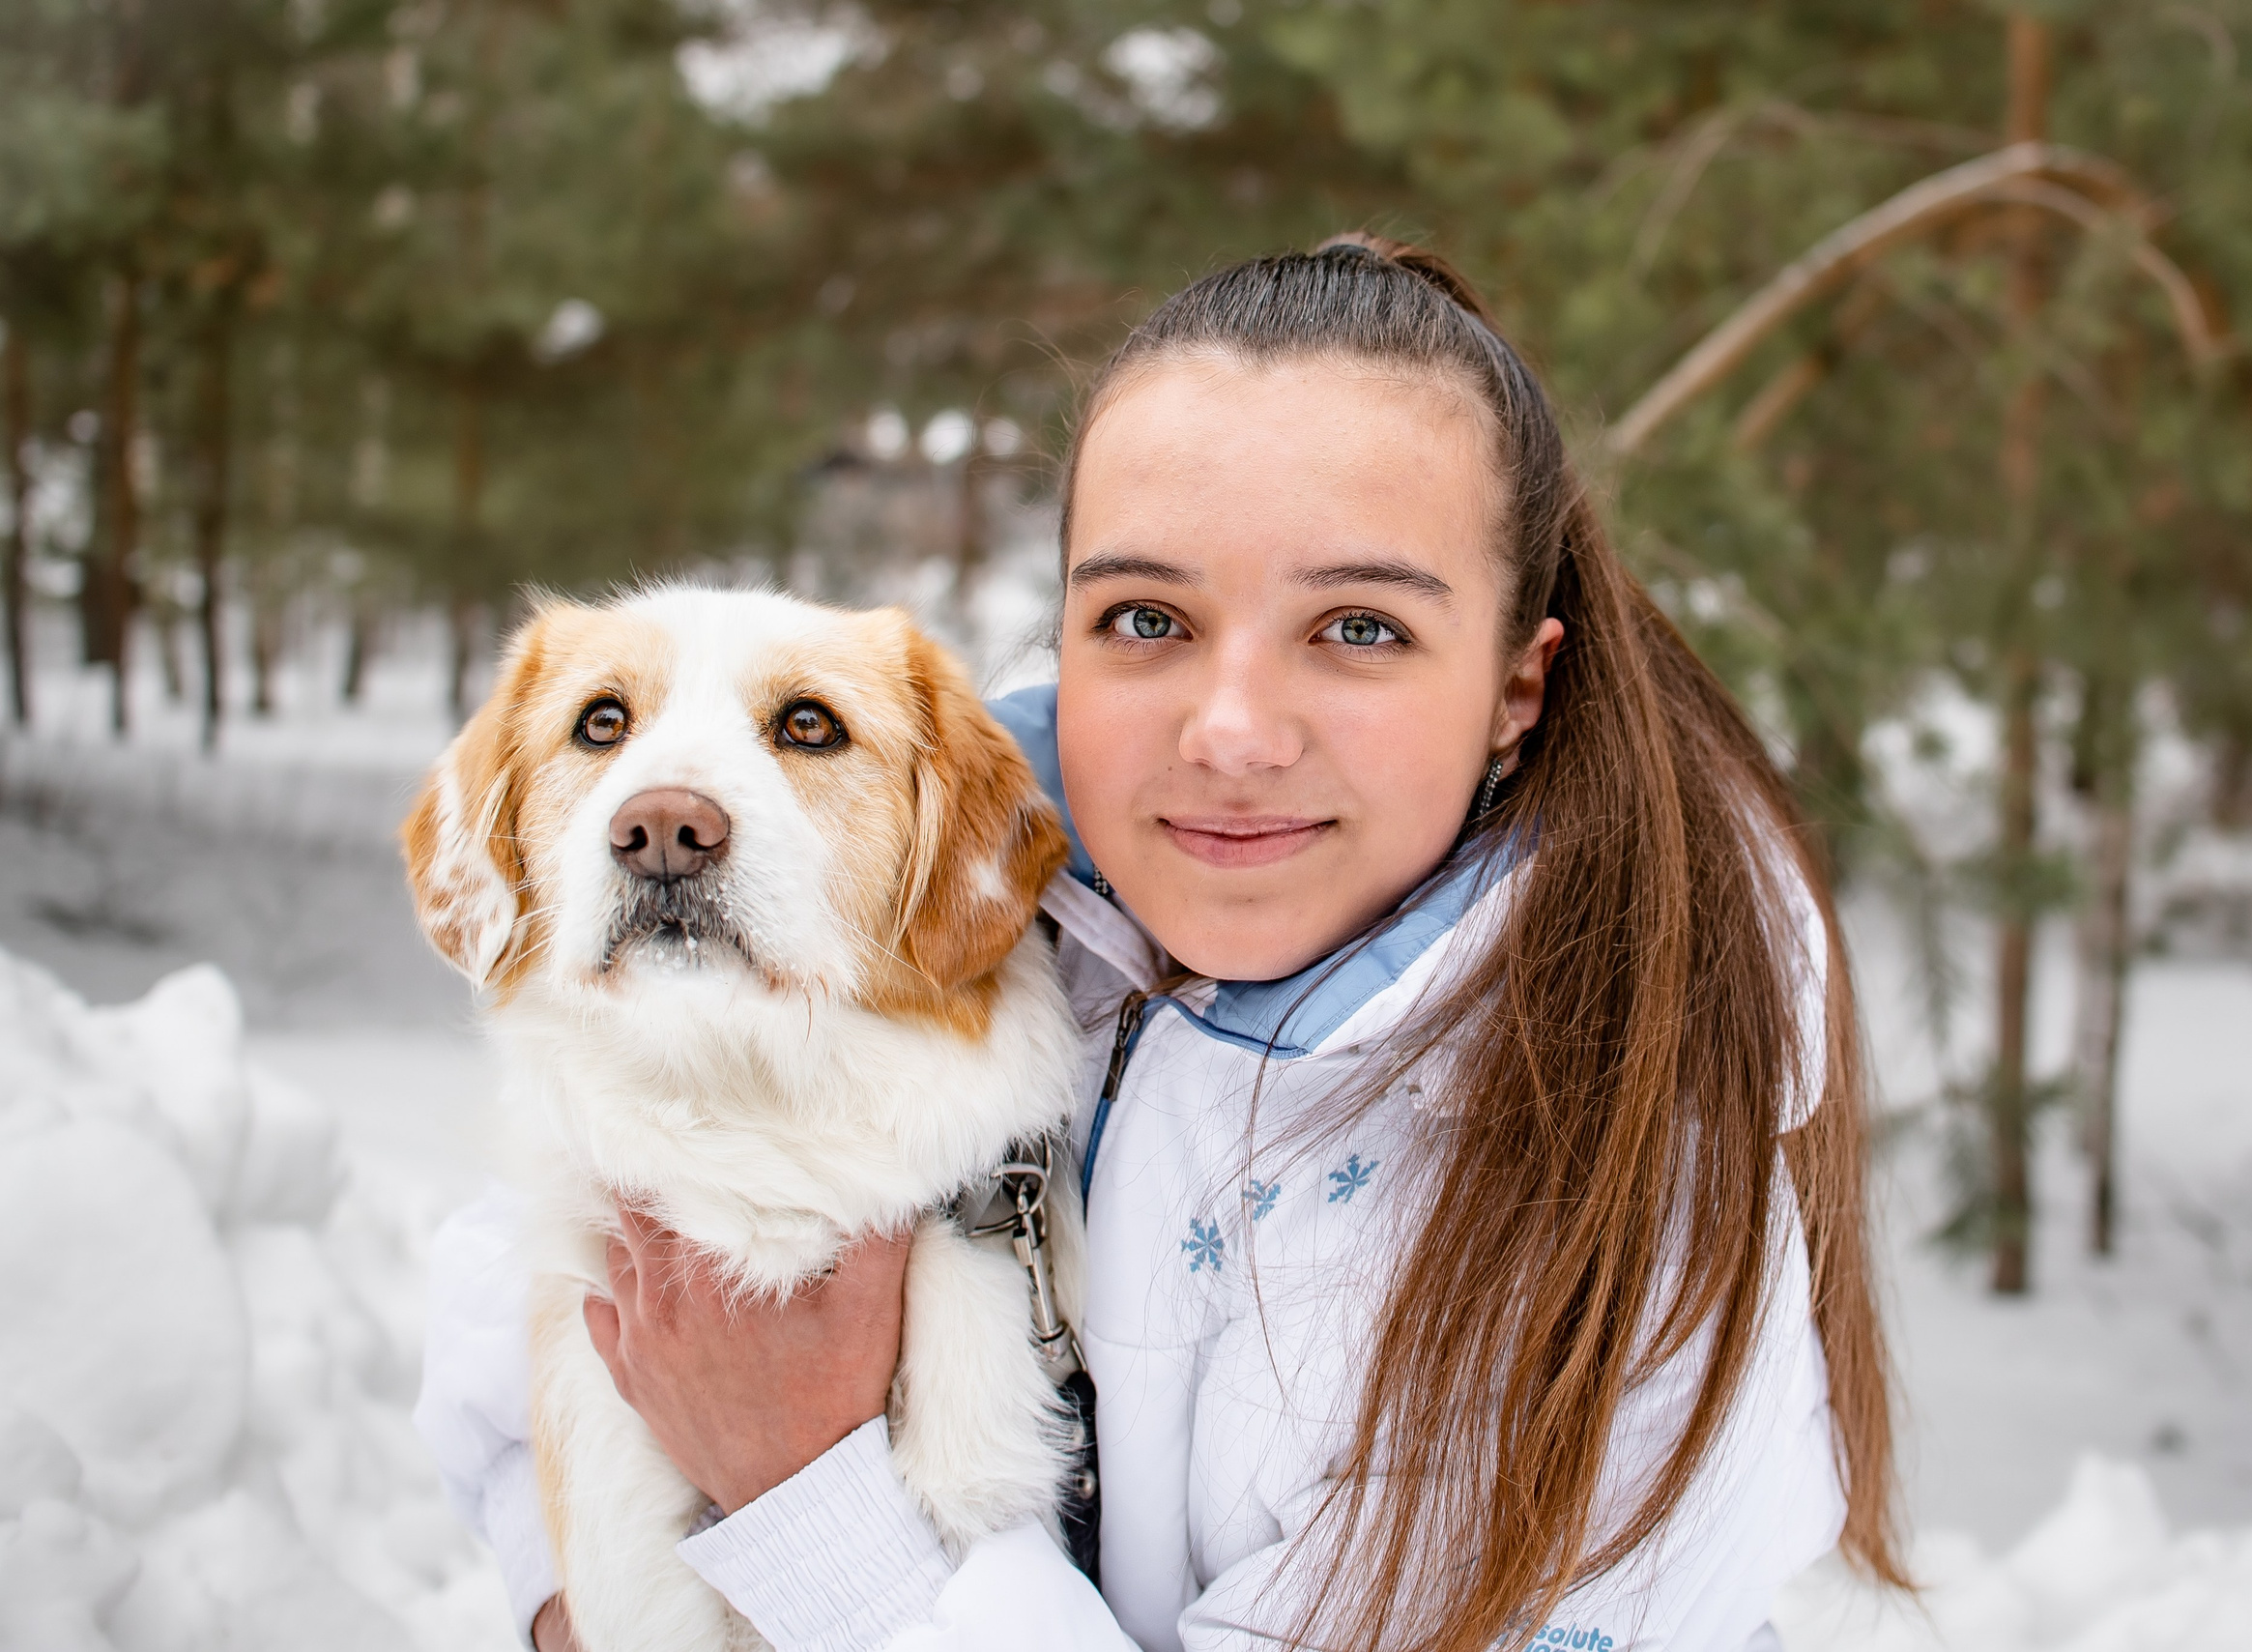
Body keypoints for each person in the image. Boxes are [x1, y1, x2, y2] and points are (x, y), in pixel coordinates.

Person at [415, 236, 1903, 1652]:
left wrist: (804, 1493)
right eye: (1146, 618)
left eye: (1361, 628)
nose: (1233, 732)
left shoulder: (1608, 1214)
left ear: (1520, 683)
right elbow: (539, 1270)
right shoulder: (992, 887)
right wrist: (586, 1594)